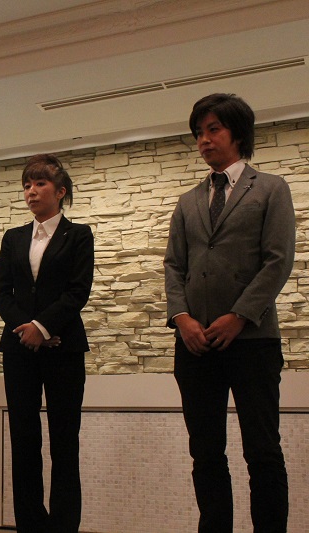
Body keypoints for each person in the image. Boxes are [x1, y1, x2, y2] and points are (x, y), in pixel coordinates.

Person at [164, 93, 295, 533]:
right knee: (205, 453)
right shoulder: (188, 201)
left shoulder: (271, 188)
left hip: (253, 341)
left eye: (213, 129)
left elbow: (278, 261)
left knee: (262, 451)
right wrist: (181, 318)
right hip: (195, 345)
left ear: (238, 133)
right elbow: (174, 265)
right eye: (198, 133)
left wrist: (239, 315)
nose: (204, 140)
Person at [0, 154, 94, 533]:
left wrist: (43, 325)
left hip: (64, 348)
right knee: (24, 441)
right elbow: (2, 292)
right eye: (27, 185)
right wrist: (27, 329)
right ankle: (30, 525)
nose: (31, 191)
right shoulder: (13, 237)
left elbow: (77, 291)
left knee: (64, 442)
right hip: (18, 350)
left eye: (40, 184)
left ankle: (63, 526)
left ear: (61, 191)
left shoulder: (79, 234)